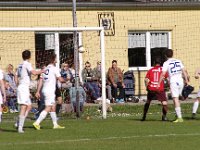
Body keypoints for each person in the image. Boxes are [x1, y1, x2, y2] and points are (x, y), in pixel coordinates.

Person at [33, 53, 65, 130]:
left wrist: (38, 91)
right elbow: (60, 80)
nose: (56, 60)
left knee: (53, 106)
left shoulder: (45, 69)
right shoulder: (54, 69)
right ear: (53, 60)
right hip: (50, 91)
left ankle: (55, 124)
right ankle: (37, 122)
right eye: (56, 58)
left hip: (45, 90)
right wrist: (67, 79)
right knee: (48, 107)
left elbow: (40, 80)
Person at [157, 49, 189, 123]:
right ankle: (178, 115)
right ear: (172, 54)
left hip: (173, 81)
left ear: (165, 55)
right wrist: (186, 80)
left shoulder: (166, 63)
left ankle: (180, 118)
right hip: (180, 80)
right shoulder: (178, 60)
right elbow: (184, 71)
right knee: (177, 99)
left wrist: (159, 83)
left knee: (175, 98)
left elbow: (163, 74)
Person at [16, 50, 44, 133]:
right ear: (30, 56)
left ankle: (18, 123)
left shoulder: (20, 64)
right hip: (23, 87)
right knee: (24, 106)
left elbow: (16, 75)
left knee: (29, 106)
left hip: (23, 87)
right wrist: (42, 71)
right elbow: (34, 73)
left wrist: (18, 84)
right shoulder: (27, 64)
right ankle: (20, 128)